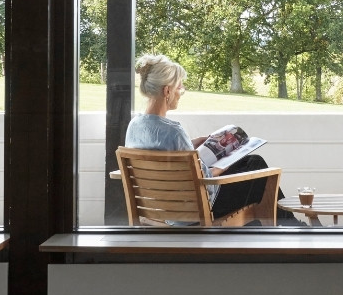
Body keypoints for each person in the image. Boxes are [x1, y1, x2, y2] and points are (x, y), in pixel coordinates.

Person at [125, 54, 300, 225]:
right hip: (191, 213)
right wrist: (225, 163)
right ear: (167, 91)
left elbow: (163, 154)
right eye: (180, 87)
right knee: (256, 164)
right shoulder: (174, 131)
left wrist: (192, 144)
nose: (181, 92)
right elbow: (206, 181)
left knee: (251, 163)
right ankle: (294, 229)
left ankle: (287, 227)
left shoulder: (134, 126)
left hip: (160, 207)